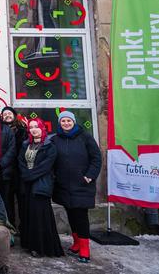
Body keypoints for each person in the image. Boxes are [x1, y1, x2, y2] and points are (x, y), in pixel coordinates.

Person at [51, 111, 102, 263]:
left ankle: (85, 248)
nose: (66, 123)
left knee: (80, 215)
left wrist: (89, 175)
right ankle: (76, 242)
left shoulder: (85, 137)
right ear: (59, 123)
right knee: (71, 213)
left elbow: (96, 158)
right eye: (63, 121)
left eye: (68, 120)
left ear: (73, 122)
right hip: (64, 184)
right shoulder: (55, 139)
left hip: (81, 184)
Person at [18, 118, 63, 258]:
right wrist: (25, 174)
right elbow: (20, 160)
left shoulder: (49, 146)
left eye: (36, 126)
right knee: (29, 215)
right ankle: (30, 244)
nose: (33, 129)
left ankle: (41, 247)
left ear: (42, 128)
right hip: (27, 185)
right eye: (31, 127)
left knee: (40, 216)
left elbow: (46, 166)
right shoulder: (26, 144)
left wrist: (29, 175)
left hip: (41, 184)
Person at [0, 106, 27, 228]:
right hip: (6, 171)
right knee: (7, 202)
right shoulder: (1, 130)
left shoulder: (22, 129)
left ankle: (24, 228)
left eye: (9, 113)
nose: (7, 116)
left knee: (22, 202)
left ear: (14, 115)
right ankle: (10, 228)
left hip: (20, 171)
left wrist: (26, 129)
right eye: (4, 114)